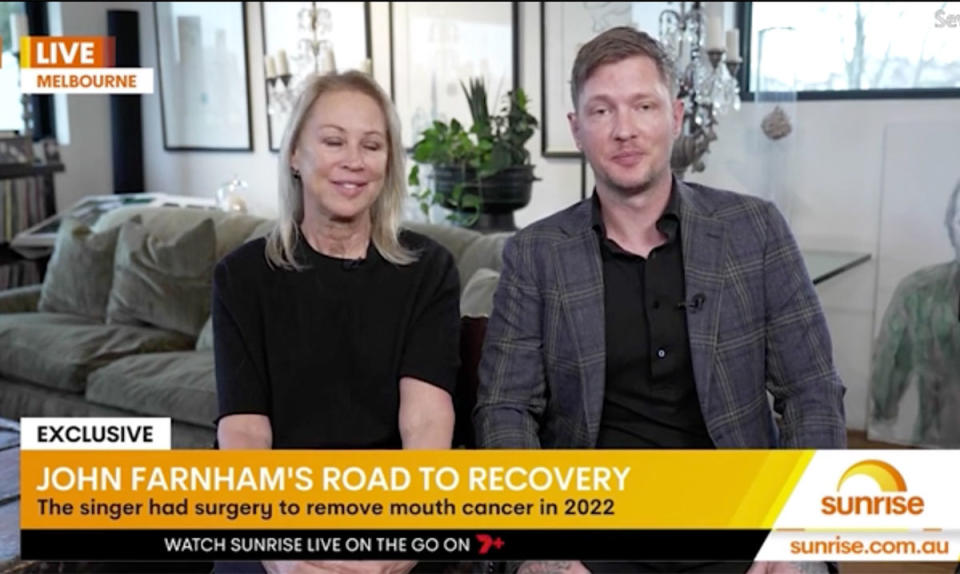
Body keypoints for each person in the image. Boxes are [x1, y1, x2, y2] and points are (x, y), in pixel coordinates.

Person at [473, 27, 846, 574]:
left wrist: (795, 537)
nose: (624, 130)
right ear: (577, 129)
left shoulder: (755, 230)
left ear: (674, 116)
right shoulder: (536, 253)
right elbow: (504, 408)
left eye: (643, 106)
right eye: (602, 111)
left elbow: (812, 391)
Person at [214, 71, 461, 574]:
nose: (354, 161)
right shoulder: (241, 277)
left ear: (388, 162)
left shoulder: (428, 269)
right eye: (333, 141)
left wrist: (405, 538)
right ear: (295, 154)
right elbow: (244, 432)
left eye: (371, 145)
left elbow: (426, 423)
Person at [870, 181, 960, 447]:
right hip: (934, 445)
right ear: (949, 226)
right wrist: (883, 411)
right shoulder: (918, 292)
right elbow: (890, 366)